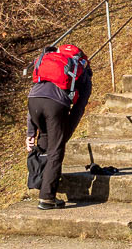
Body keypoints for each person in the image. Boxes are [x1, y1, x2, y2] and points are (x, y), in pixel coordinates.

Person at [26, 43, 92, 209]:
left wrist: (31, 132)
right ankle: (47, 198)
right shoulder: (82, 73)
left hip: (33, 101)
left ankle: (38, 181)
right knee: (56, 150)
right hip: (55, 105)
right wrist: (65, 135)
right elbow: (78, 108)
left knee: (45, 140)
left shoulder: (48, 64)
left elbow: (39, 90)